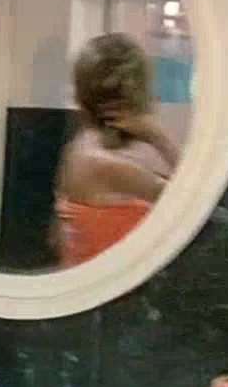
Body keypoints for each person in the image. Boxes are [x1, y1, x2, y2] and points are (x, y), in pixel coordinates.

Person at [50, 32, 181, 267]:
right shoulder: (108, 167)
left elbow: (56, 238)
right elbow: (195, 200)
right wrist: (157, 136)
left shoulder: (80, 147)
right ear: (139, 94)